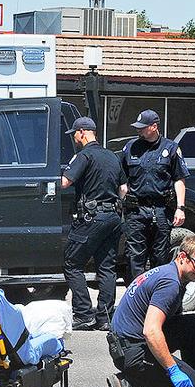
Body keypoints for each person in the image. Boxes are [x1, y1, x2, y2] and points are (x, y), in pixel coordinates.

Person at [106, 234, 195, 387]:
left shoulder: (173, 275)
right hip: (133, 352)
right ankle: (133, 383)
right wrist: (172, 369)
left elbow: (174, 322)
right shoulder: (169, 283)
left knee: (194, 324)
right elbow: (151, 331)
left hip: (131, 343)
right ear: (182, 257)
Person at [62, 117, 126, 331]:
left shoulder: (84, 155)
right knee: (106, 267)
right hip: (113, 217)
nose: (75, 138)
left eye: (75, 134)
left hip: (91, 218)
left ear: (82, 132)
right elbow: (124, 189)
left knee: (72, 264)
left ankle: (83, 315)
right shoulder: (112, 156)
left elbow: (65, 182)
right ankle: (105, 318)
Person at [119, 109, 190, 280]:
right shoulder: (130, 147)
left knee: (160, 255)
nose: (139, 130)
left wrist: (180, 208)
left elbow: (179, 179)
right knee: (135, 257)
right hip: (136, 210)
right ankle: (136, 295)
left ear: (154, 126)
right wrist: (122, 202)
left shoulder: (170, 148)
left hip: (161, 209)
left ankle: (158, 295)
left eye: (142, 127)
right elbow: (122, 178)